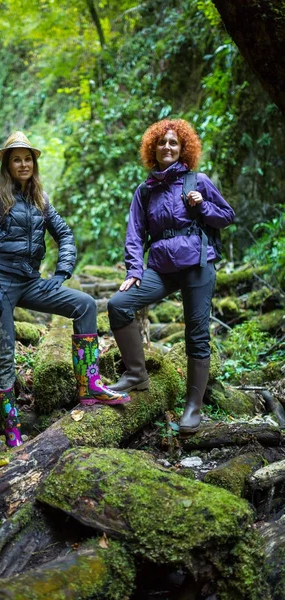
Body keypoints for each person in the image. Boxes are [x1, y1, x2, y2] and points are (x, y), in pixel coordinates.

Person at [0, 131, 130, 448]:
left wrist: (62, 271)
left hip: (30, 281)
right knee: (4, 355)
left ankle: (90, 386)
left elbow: (66, 235)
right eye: (17, 158)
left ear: (34, 163)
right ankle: (12, 430)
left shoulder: (41, 201)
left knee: (84, 304)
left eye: (28, 158)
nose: (23, 163)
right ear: (7, 165)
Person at [107, 118, 235, 434]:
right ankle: (137, 374)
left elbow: (226, 217)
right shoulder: (145, 190)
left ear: (182, 149)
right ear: (153, 148)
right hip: (161, 269)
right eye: (162, 142)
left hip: (197, 264)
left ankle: (193, 406)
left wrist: (202, 205)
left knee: (196, 332)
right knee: (118, 304)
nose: (167, 147)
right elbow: (134, 233)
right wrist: (134, 271)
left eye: (173, 143)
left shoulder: (197, 181)